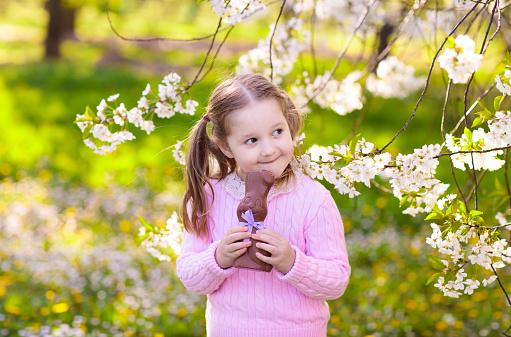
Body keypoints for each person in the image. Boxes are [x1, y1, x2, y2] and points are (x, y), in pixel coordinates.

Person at [176, 73, 350, 337]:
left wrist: (293, 262)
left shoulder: (313, 200)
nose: (269, 149)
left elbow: (336, 281)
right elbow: (190, 276)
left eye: (277, 132)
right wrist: (218, 258)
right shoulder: (210, 197)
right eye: (252, 140)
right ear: (226, 147)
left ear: (289, 126)